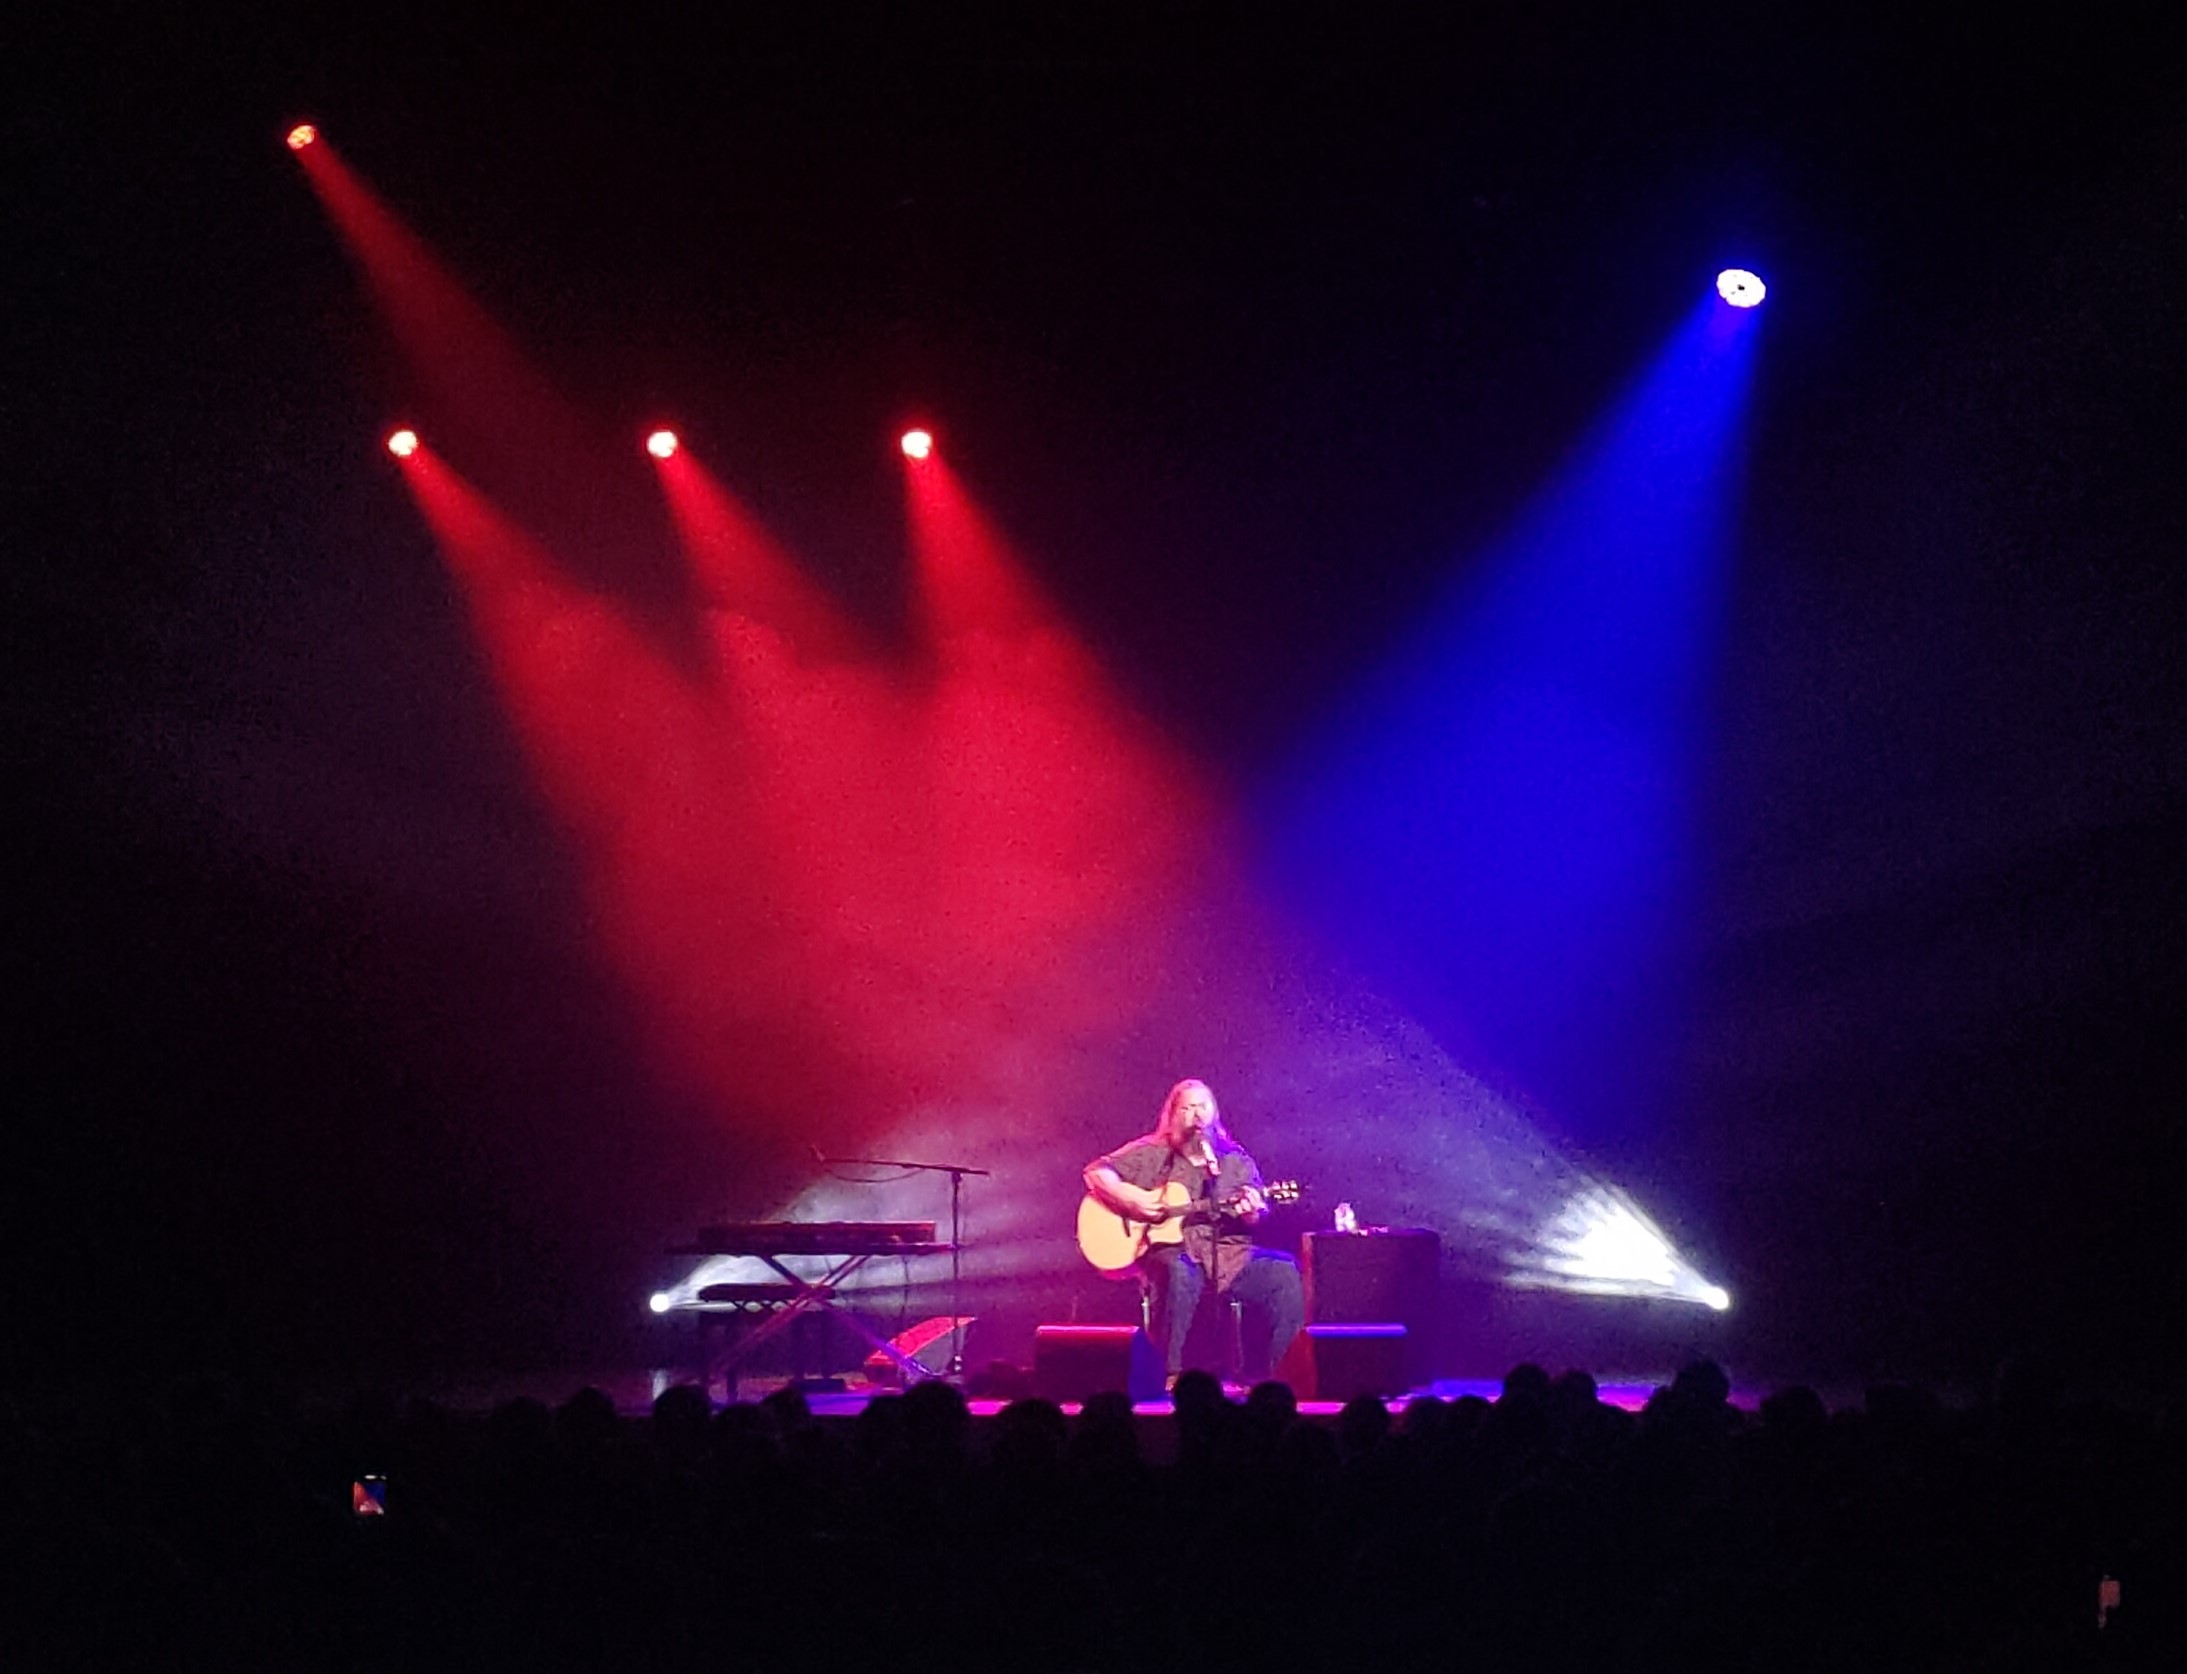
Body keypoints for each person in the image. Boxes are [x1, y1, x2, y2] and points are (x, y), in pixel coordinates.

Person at [1082, 1078, 1304, 1389]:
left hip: (1228, 1255)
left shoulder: (1234, 1159)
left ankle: (1283, 1377)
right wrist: (1130, 1199)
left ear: (1215, 1112)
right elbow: (1095, 1172)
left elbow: (1257, 1214)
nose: (1197, 1115)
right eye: (1187, 1108)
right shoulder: (1152, 1154)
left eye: (1203, 1106)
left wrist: (1252, 1211)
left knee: (1284, 1272)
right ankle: (1171, 1375)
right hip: (1173, 1252)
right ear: (1172, 1116)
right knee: (1178, 1271)